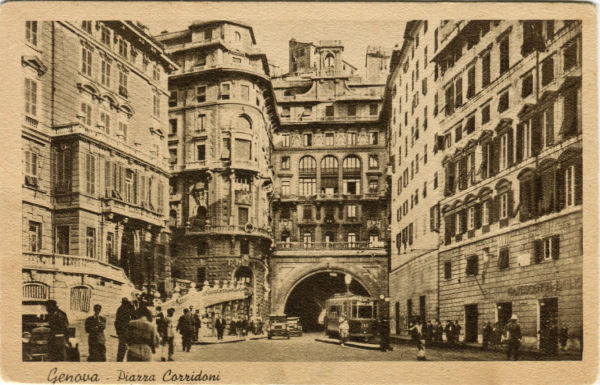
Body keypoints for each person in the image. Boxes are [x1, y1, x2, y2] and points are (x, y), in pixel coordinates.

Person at [115, 297, 135, 362]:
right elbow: (134, 316)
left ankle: (119, 360)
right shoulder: (128, 309)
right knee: (128, 346)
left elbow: (116, 322)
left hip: (122, 330)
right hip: (126, 330)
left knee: (122, 346)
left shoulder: (120, 309)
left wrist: (118, 332)